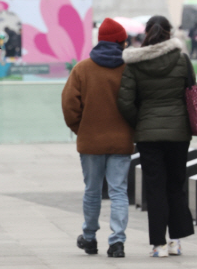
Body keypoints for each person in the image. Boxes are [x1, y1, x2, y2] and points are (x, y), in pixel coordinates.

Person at [117, 15, 194, 257]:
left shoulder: (135, 64)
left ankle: (158, 245)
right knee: (176, 185)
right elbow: (192, 92)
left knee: (155, 188)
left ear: (147, 33)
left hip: (148, 135)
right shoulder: (182, 60)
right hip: (179, 133)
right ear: (170, 33)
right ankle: (176, 241)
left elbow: (125, 101)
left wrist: (140, 122)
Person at [62, 18, 134, 258]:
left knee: (92, 191)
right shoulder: (129, 69)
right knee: (119, 192)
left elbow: (69, 105)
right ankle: (117, 242)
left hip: (90, 141)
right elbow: (138, 103)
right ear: (121, 42)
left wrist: (81, 129)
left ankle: (90, 238)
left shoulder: (82, 69)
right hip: (122, 140)